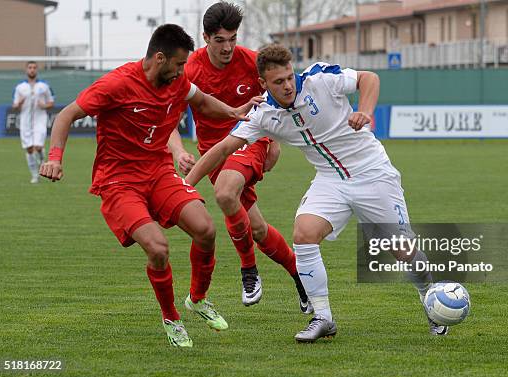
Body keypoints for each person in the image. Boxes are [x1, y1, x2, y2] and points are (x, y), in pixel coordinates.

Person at [184, 44, 444, 343]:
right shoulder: (263, 114)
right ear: (263, 84)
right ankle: (323, 317)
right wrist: (186, 185)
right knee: (304, 233)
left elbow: (368, 78)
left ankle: (431, 299)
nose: (287, 85)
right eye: (278, 82)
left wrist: (365, 111)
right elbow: (223, 149)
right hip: (330, 180)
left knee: (403, 250)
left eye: (288, 77)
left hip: (373, 173)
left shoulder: (320, 78)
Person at [40, 24, 262, 348]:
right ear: (160, 58)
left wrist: (234, 111)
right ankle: (172, 318)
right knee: (157, 248)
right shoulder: (117, 83)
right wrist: (55, 157)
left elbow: (200, 101)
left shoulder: (177, 81)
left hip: (158, 171)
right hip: (119, 181)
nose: (182, 71)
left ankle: (197, 299)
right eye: (178, 64)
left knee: (206, 229)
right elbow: (67, 115)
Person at [169, 2, 310, 311]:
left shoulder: (250, 61)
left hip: (249, 141)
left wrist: (274, 141)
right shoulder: (190, 69)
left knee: (224, 193)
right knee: (256, 228)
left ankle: (248, 270)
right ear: (205, 38)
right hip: (213, 154)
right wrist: (179, 150)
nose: (228, 47)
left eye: (232, 38)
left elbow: (278, 99)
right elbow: (168, 121)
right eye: (220, 40)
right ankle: (302, 277)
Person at [12, 61, 55, 183]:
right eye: (30, 68)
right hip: (25, 121)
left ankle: (42, 162)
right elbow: (14, 105)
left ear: (37, 70)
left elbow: (51, 102)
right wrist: (18, 103)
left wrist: (44, 105)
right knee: (30, 149)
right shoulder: (20, 87)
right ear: (26, 70)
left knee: (38, 146)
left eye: (34, 68)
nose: (32, 70)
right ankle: (35, 175)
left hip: (40, 120)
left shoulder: (44, 86)